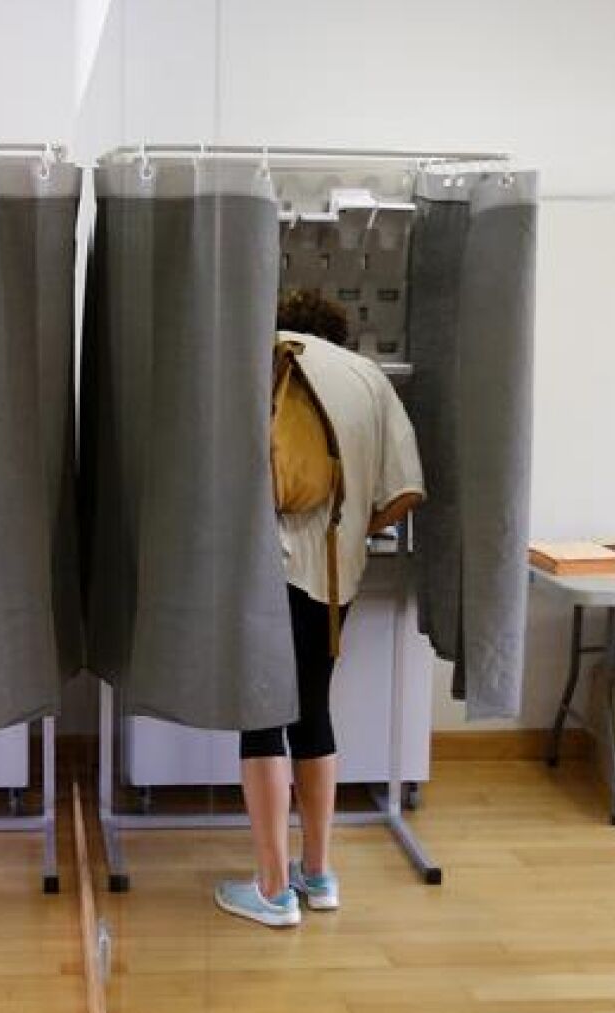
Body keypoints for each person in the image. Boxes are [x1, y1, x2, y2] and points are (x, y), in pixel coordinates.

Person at [216, 289, 425, 928]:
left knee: (261, 716)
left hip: (257, 571)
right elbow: (407, 492)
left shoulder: (254, 368)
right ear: (338, 329)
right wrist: (356, 527)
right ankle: (318, 871)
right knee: (312, 712)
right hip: (334, 577)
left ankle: (272, 889)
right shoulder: (367, 379)